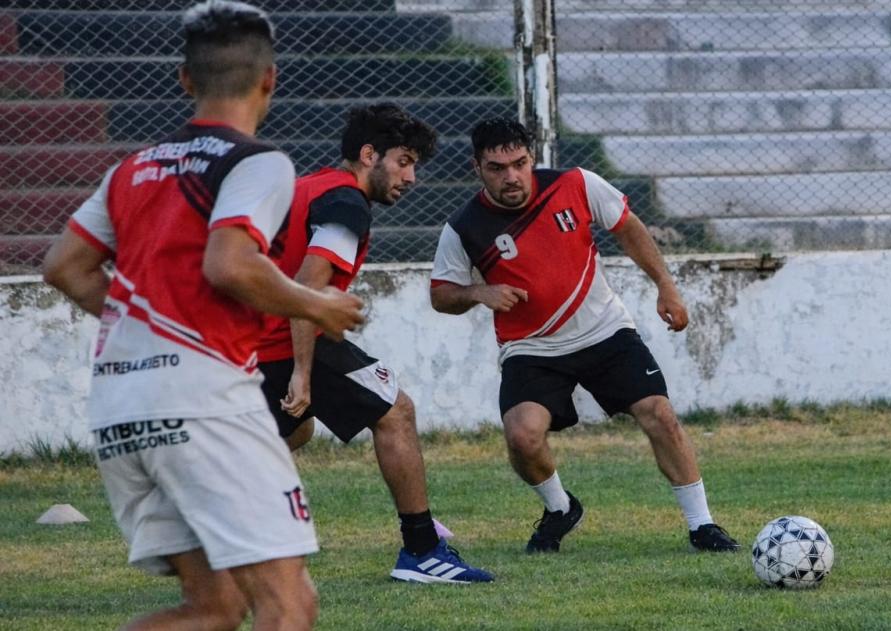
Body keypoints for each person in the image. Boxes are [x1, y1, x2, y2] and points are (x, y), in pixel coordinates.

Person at [40, 2, 364, 629]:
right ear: (270, 78)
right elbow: (231, 264)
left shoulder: (129, 170)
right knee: (288, 603)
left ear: (185, 81)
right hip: (205, 402)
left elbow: (64, 267)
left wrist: (147, 321)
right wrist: (317, 303)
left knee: (214, 608)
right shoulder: (258, 162)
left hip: (121, 407)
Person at [429, 118, 740, 554]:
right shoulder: (464, 227)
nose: (511, 176)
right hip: (531, 348)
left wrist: (666, 286)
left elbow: (628, 226)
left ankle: (702, 525)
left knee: (660, 413)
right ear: (476, 167)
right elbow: (441, 296)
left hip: (605, 330)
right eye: (497, 167)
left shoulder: (575, 184)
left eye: (519, 163)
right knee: (522, 436)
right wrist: (479, 291)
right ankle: (560, 509)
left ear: (532, 158)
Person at [256, 103, 493, 584]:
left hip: (254, 336)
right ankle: (423, 551)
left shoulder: (313, 185)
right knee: (395, 411)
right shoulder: (346, 204)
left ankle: (224, 514)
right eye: (403, 161)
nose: (410, 177)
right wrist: (302, 370)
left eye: (415, 165)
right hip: (288, 336)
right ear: (369, 154)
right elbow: (310, 286)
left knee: (294, 431)